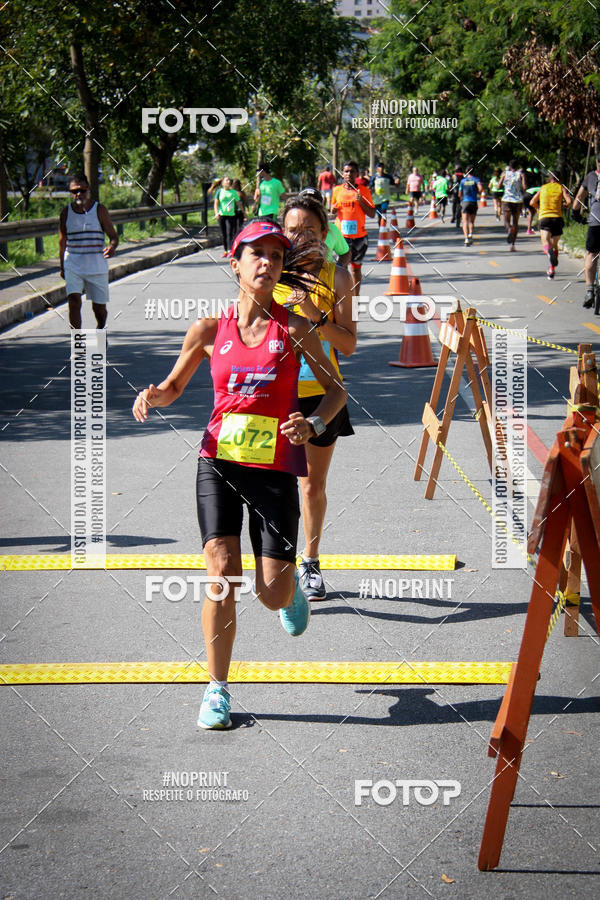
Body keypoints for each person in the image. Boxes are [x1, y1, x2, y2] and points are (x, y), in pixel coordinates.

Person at [132, 220, 346, 729]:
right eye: (258, 253)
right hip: (219, 462)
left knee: (269, 592)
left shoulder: (294, 328)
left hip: (275, 468)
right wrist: (154, 395)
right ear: (236, 263)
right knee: (222, 573)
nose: (268, 262)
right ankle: (217, 689)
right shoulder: (209, 330)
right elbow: (174, 384)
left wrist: (312, 422)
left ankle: (288, 589)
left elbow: (337, 392)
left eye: (277, 254)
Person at [274, 193, 356, 601]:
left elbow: (350, 343)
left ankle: (309, 561)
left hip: (321, 394)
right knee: (271, 483)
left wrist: (313, 313)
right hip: (272, 393)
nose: (301, 235)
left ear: (325, 232)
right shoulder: (269, 272)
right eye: (293, 229)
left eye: (309, 228)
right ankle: (276, 559)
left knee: (310, 485)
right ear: (281, 232)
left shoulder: (337, 277)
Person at [58, 173, 118, 329]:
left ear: (88, 190)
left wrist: (112, 247)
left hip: (96, 266)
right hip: (73, 264)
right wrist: (62, 266)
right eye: (74, 191)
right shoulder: (66, 213)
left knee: (99, 309)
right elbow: (62, 241)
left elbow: (113, 236)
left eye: (82, 190)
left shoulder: (99, 210)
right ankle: (78, 344)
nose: (78, 194)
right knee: (74, 301)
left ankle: (100, 329)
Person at [331, 160, 376, 294]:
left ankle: (355, 298)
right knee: (341, 269)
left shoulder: (364, 191)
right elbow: (332, 209)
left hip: (359, 237)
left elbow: (372, 213)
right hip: (341, 237)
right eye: (346, 171)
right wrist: (333, 209)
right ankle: (342, 297)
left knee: (356, 269)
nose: (349, 174)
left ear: (357, 174)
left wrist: (361, 201)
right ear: (342, 174)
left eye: (352, 171)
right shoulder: (337, 190)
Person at [529, 172, 572, 279]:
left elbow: (532, 202)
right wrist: (565, 205)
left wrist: (538, 208)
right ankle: (552, 269)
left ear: (549, 179)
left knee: (546, 243)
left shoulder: (543, 188)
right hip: (557, 219)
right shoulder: (561, 188)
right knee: (555, 245)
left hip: (545, 218)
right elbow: (569, 201)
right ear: (559, 179)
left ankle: (548, 252)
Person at [298, 187, 351, 268]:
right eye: (305, 204)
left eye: (314, 205)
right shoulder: (292, 229)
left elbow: (345, 253)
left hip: (324, 279)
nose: (309, 208)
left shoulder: (331, 229)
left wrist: (337, 269)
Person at [572, 159, 600, 308]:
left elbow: (579, 198)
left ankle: (589, 290)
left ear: (597, 162)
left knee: (591, 254)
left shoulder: (591, 176)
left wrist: (575, 214)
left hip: (596, 221)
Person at [499, 159, 526, 251]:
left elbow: (498, 186)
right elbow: (524, 187)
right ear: (517, 166)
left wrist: (505, 184)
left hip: (507, 199)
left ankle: (509, 229)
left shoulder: (505, 174)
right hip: (518, 200)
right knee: (515, 222)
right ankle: (513, 245)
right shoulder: (521, 174)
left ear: (510, 167)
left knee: (506, 221)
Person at [213, 176, 240, 256]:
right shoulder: (219, 192)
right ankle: (225, 250)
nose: (228, 181)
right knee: (223, 233)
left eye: (229, 180)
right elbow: (216, 203)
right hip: (222, 215)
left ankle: (229, 250)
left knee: (230, 232)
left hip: (231, 215)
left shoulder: (233, 192)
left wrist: (244, 212)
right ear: (222, 183)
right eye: (226, 180)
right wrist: (216, 213)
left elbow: (238, 202)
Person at [458, 167, 483, 245]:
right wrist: (476, 192)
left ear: (466, 171)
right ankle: (471, 234)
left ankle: (466, 238)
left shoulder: (463, 181)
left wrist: (461, 199)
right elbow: (481, 189)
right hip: (473, 201)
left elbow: (459, 193)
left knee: (464, 221)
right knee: (471, 221)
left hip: (465, 201)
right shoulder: (476, 180)